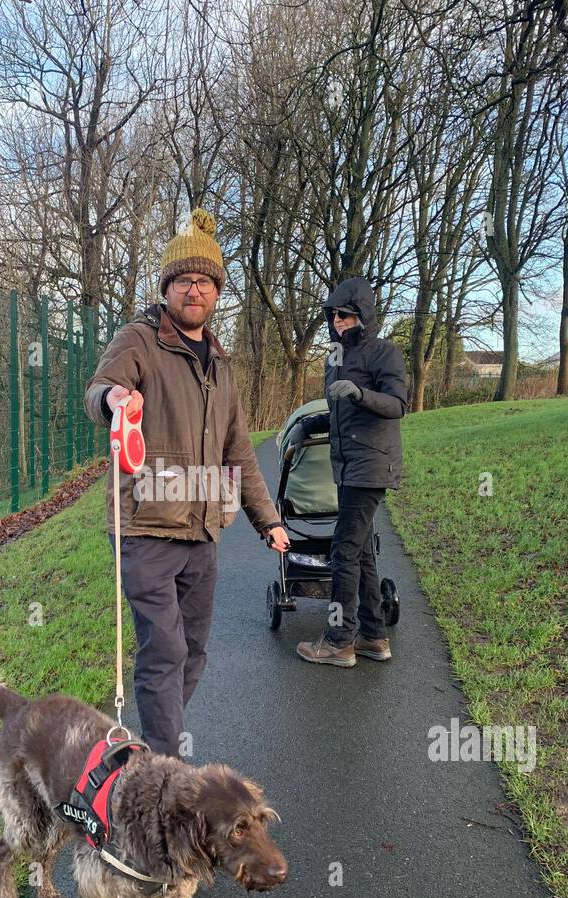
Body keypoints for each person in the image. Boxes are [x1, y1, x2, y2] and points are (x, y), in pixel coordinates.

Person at [84, 207, 289, 756]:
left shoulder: (221, 364)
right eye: (182, 281)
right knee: (165, 650)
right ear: (168, 288)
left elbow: (239, 450)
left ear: (217, 291)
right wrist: (113, 400)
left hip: (203, 527)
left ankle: (155, 749)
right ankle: (161, 771)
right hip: (146, 524)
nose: (193, 290)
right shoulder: (139, 341)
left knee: (194, 651)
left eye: (203, 281)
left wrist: (266, 519)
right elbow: (98, 388)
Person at [296, 277, 408, 667]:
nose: (338, 321)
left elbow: (397, 404)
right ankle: (374, 636)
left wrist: (361, 394)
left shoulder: (384, 354)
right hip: (346, 466)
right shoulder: (335, 359)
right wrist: (309, 426)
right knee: (360, 553)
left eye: (345, 314)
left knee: (342, 550)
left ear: (362, 315)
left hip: (372, 465)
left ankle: (339, 640)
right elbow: (339, 414)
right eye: (333, 315)